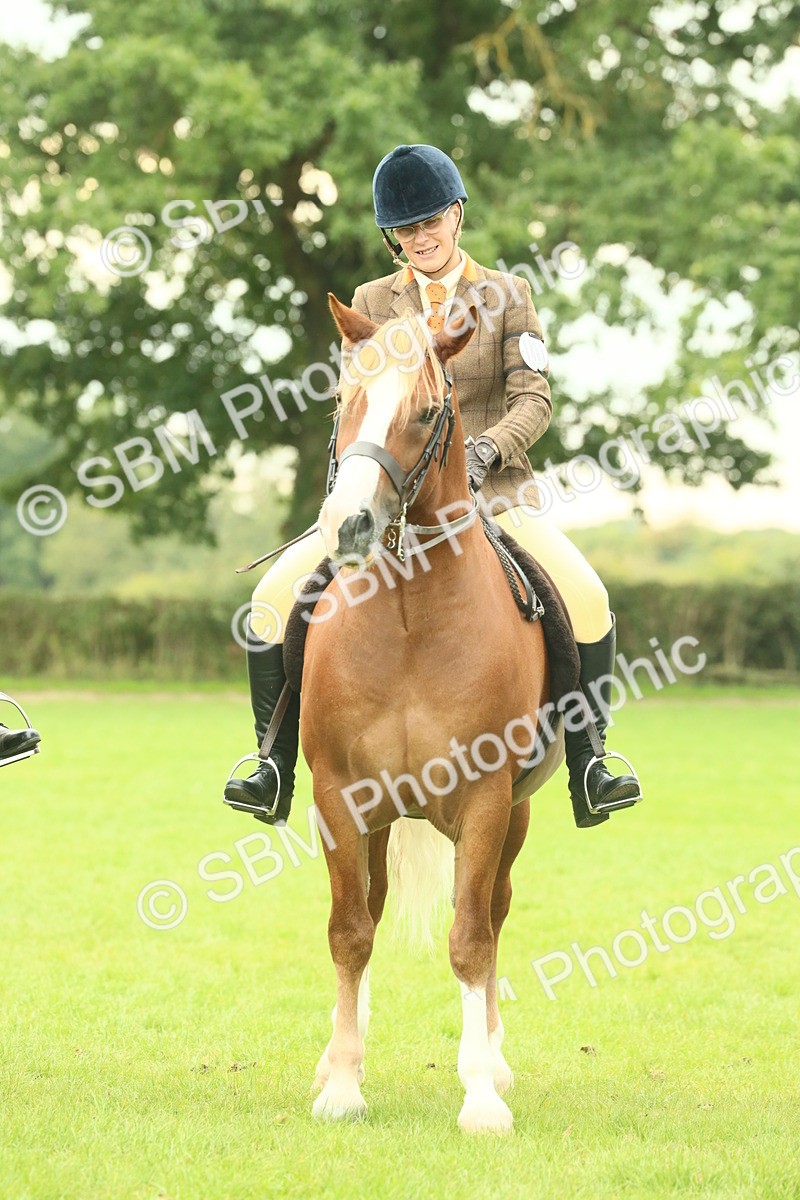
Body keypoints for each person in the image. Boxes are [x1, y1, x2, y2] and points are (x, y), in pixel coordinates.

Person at [224, 143, 642, 830]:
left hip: (495, 496)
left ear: (456, 215)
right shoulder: (370, 303)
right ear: (392, 235)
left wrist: (485, 450)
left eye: (430, 222)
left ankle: (590, 764)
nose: (419, 238)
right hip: (388, 506)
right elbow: (357, 404)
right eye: (405, 228)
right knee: (271, 599)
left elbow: (534, 398)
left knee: (588, 599)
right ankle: (271, 765)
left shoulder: (507, 294)